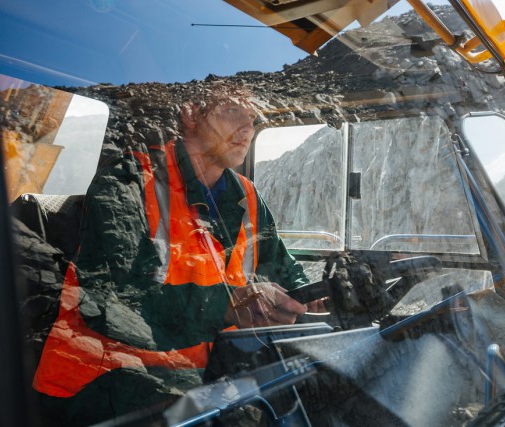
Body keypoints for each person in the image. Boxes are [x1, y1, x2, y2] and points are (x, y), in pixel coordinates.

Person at [31, 82, 311, 425]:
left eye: (252, 117)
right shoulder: (128, 180)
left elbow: (281, 265)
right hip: (103, 377)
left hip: (194, 375)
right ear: (191, 113)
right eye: (233, 111)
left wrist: (313, 297)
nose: (247, 129)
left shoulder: (247, 196)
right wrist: (227, 306)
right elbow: (110, 301)